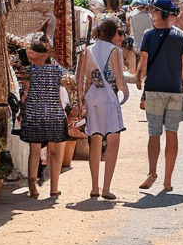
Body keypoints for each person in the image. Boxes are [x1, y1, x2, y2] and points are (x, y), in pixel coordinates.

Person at [135, 0, 183, 192]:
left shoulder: (148, 36)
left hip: (154, 90)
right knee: (171, 132)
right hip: (174, 91)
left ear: (164, 14)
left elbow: (143, 66)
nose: (152, 14)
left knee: (154, 133)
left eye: (155, 12)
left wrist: (140, 81)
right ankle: (167, 180)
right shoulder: (182, 37)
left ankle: (152, 172)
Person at [76, 18, 128, 200]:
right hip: (108, 98)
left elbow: (82, 78)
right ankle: (106, 188)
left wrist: (81, 101)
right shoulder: (114, 51)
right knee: (113, 142)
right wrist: (126, 94)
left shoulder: (87, 50)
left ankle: (94, 187)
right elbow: (119, 79)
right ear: (113, 33)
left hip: (92, 97)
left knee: (95, 141)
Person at [18, 34, 69, 199]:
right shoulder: (57, 70)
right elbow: (70, 83)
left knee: (34, 151)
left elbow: (25, 91)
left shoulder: (29, 71)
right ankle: (54, 188)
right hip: (54, 112)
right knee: (54, 152)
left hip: (35, 113)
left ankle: (32, 185)